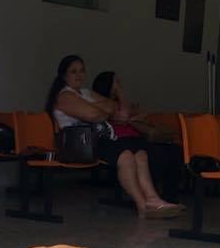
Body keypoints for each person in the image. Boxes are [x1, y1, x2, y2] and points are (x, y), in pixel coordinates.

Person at [46, 55, 182, 218]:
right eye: (73, 71)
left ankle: (153, 199)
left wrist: (99, 108)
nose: (79, 75)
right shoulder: (64, 96)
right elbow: (94, 115)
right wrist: (101, 109)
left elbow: (115, 108)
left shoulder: (85, 93)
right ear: (63, 75)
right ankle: (142, 206)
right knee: (125, 156)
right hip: (82, 144)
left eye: (82, 71)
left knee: (140, 154)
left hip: (101, 139)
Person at [91, 70, 183, 205]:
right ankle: (148, 194)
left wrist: (131, 116)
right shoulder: (104, 103)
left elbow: (139, 113)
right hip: (120, 141)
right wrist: (121, 95)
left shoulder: (121, 104)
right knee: (157, 155)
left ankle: (170, 199)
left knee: (175, 151)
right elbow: (124, 114)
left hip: (137, 138)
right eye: (117, 82)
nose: (120, 85)